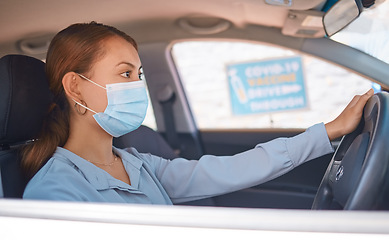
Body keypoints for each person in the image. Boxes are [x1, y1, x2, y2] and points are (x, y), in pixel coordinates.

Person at [22, 22, 374, 204]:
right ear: (76, 87)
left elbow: (231, 170)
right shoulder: (54, 191)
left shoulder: (137, 165)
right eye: (125, 73)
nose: (136, 86)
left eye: (139, 75)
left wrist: (326, 132)